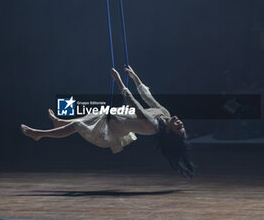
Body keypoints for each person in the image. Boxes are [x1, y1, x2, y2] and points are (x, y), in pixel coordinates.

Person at [21, 66, 196, 177]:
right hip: (111, 116)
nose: (181, 124)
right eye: (183, 127)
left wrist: (119, 81)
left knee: (77, 125)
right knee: (80, 120)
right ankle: (59, 123)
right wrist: (135, 77)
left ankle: (38, 134)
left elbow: (135, 105)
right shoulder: (164, 113)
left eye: (179, 129)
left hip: (108, 133)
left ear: (168, 132)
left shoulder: (153, 126)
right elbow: (147, 97)